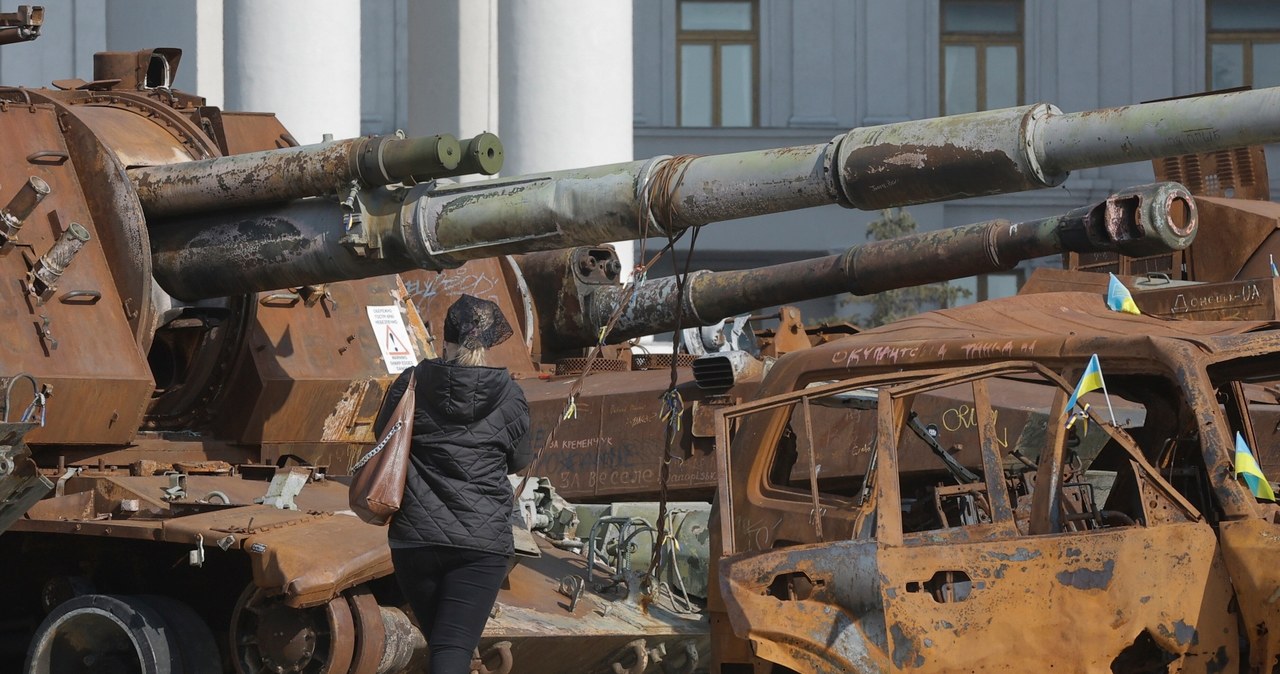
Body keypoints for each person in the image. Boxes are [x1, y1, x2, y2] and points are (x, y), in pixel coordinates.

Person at [373, 294, 532, 674]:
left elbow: (383, 439)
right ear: (490, 342)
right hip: (481, 543)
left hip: (415, 538)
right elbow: (519, 460)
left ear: (444, 338)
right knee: (451, 651)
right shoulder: (510, 395)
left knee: (445, 650)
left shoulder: (410, 384)